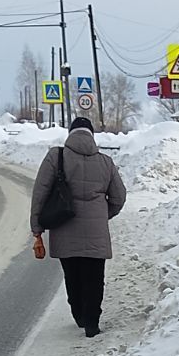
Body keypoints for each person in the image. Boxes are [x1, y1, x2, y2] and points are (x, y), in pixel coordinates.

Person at [30, 116, 127, 338]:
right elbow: (119, 198)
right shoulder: (105, 162)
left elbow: (40, 193)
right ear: (92, 135)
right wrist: (102, 215)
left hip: (63, 227)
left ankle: (79, 314)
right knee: (94, 277)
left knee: (72, 275)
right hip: (96, 232)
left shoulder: (57, 156)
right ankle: (92, 322)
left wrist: (37, 227)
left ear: (71, 134)